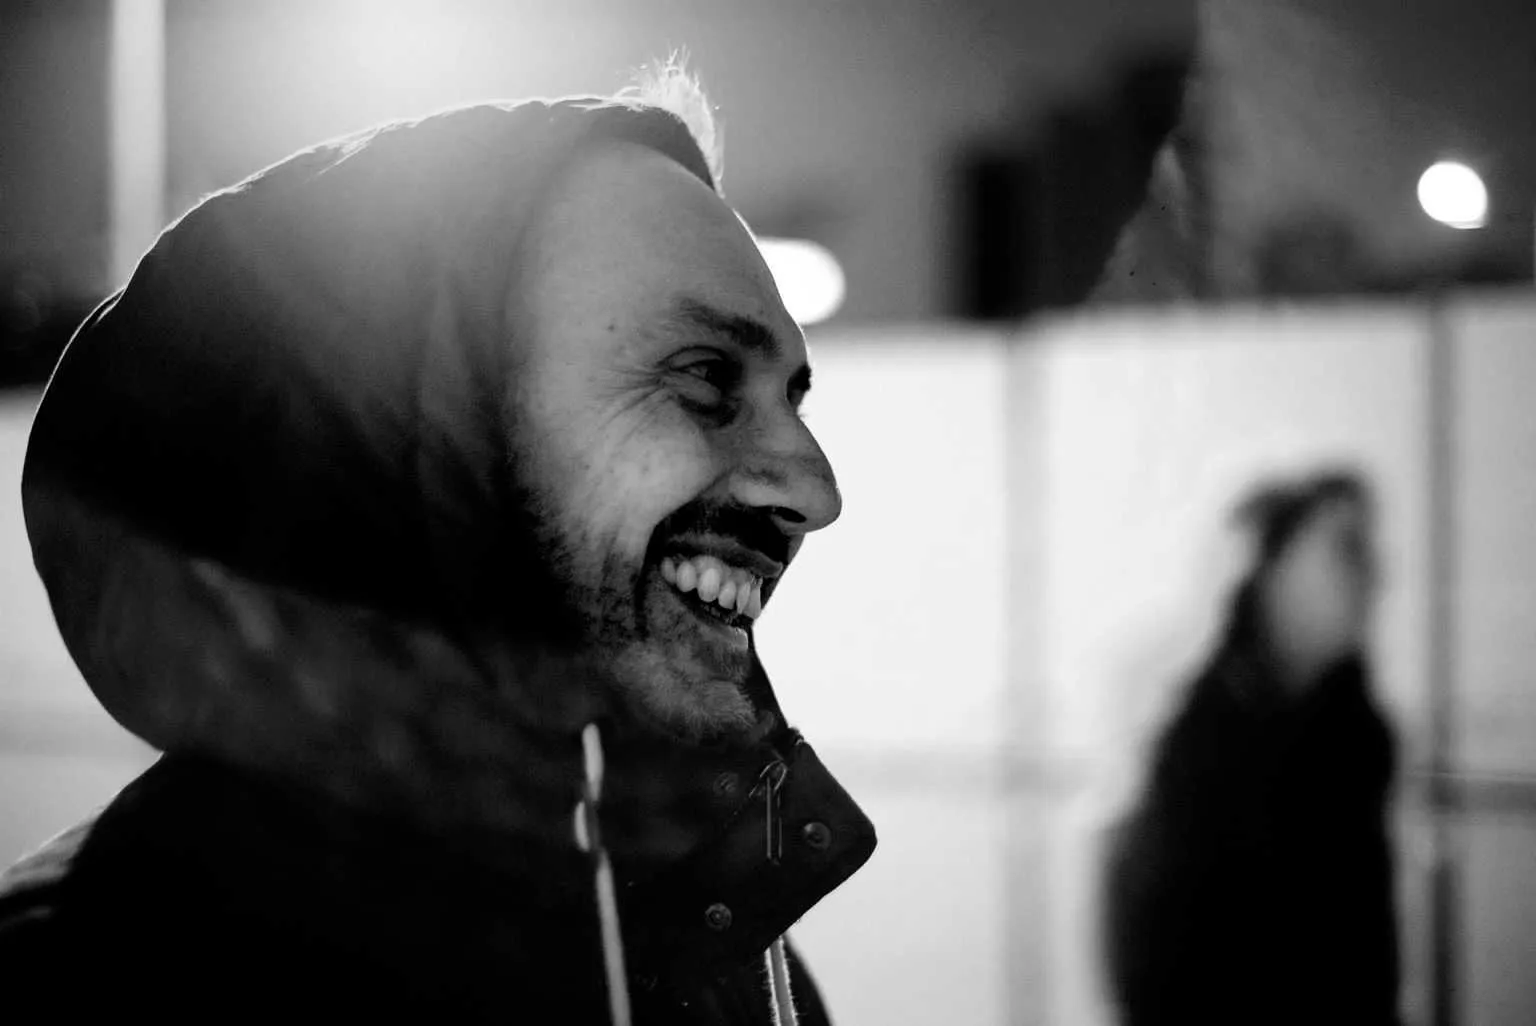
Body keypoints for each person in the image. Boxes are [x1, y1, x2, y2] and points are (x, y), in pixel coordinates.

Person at [0, 64, 876, 1024]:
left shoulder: (721, 961)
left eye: (793, 400)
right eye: (705, 376)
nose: (815, 492)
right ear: (414, 432)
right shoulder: (86, 971)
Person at [1101, 468, 1400, 1026]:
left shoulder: (1357, 742)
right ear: (1268, 571)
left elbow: (1364, 959)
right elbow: (1158, 974)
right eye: (1346, 550)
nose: (1376, 577)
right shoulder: (1195, 748)